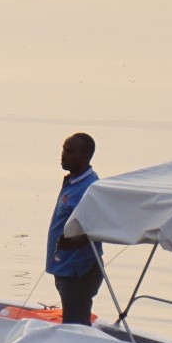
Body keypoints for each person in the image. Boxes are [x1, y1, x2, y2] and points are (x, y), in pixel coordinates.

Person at [47, 132, 103, 325]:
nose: (63, 154)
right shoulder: (72, 181)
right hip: (64, 267)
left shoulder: (89, 188)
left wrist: (73, 242)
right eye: (63, 149)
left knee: (76, 325)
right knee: (71, 318)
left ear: (85, 156)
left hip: (78, 272)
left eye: (69, 151)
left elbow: (97, 229)